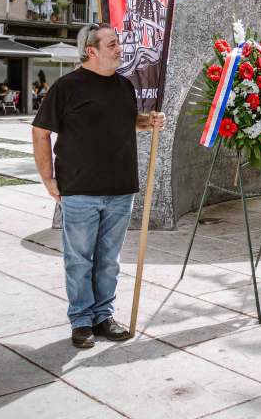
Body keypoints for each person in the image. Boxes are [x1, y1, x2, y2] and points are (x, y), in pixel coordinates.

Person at [31, 22, 166, 349]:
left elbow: (127, 122)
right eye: (112, 44)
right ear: (91, 51)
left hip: (121, 188)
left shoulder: (124, 86)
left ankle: (103, 316)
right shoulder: (66, 87)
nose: (120, 49)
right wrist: (48, 178)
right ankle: (81, 321)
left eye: (118, 43)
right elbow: (40, 131)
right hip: (78, 190)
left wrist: (149, 122)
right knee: (79, 259)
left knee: (109, 259)